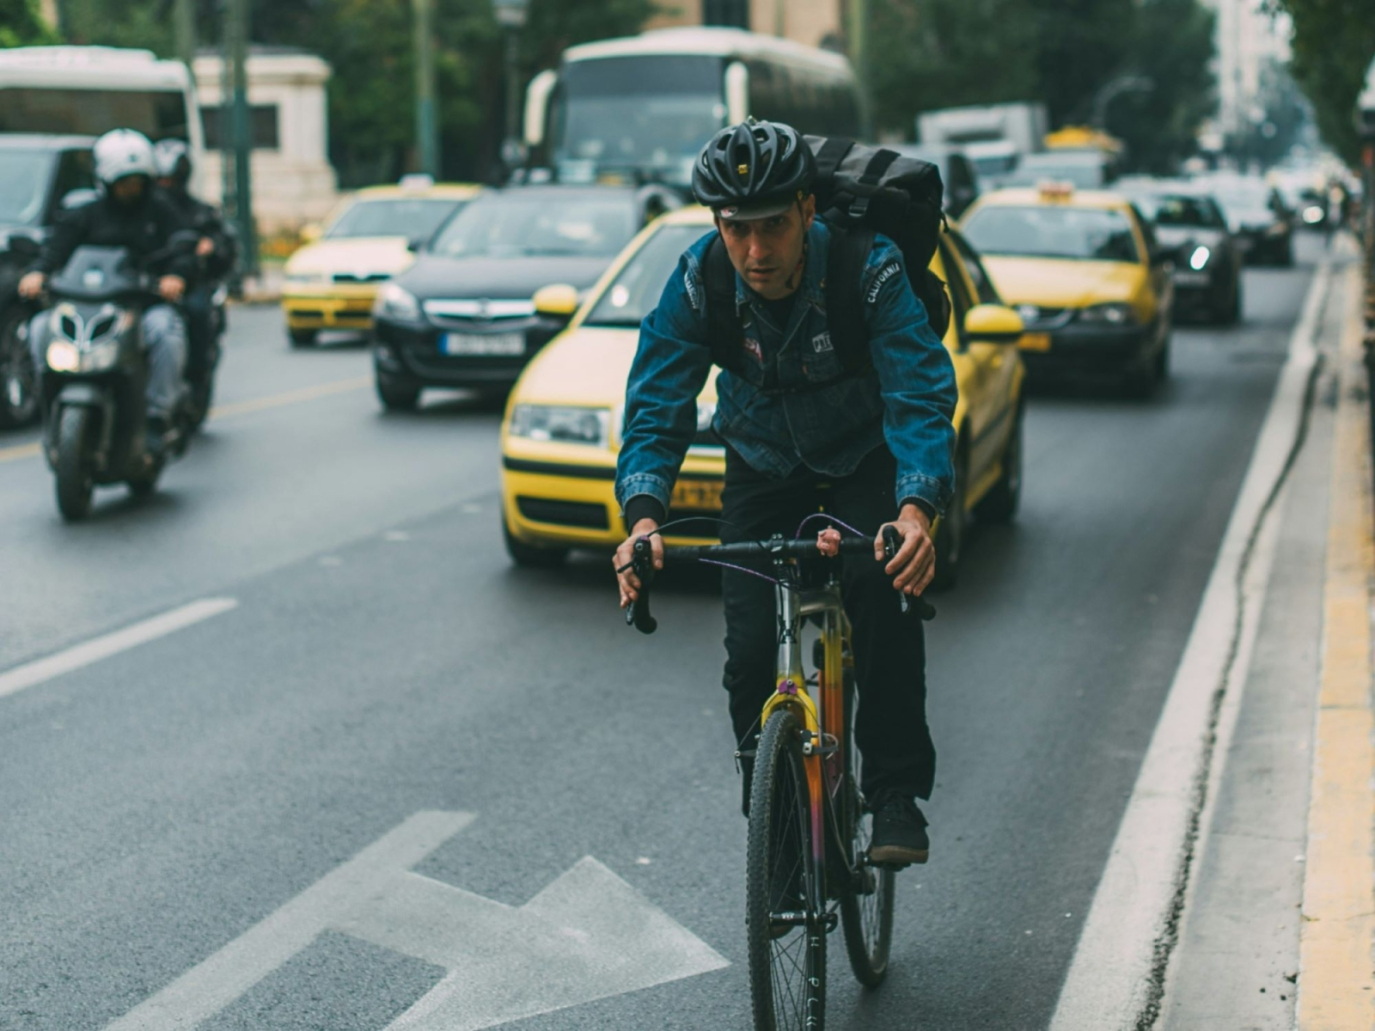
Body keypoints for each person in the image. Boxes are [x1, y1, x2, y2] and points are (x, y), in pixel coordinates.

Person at [612, 121, 958, 867]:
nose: (755, 252)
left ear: (807, 210)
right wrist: (641, 519)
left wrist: (914, 507)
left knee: (878, 582)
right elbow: (655, 401)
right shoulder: (699, 276)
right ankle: (773, 814)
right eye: (737, 230)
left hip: (865, 454)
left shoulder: (869, 268)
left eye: (772, 226)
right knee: (744, 656)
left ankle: (895, 790)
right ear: (717, 225)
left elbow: (918, 392)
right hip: (762, 462)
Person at [18, 129, 194, 458]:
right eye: (124, 181)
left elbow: (183, 246)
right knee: (41, 327)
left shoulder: (161, 211)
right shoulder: (85, 214)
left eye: (138, 180)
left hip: (140, 306)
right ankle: (49, 403)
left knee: (167, 332)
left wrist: (176, 275)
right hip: (84, 306)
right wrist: (38, 272)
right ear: (105, 180)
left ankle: (158, 416)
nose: (132, 187)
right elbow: (56, 248)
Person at [153, 138, 236, 384]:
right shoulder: (144, 212)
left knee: (197, 312)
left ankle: (195, 373)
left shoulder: (200, 212)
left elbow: (224, 246)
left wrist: (211, 247)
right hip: (148, 280)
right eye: (160, 180)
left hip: (190, 282)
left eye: (170, 180)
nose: (165, 186)